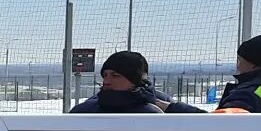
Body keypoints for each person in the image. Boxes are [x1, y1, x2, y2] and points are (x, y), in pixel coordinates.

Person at [71, 50, 202, 114]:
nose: (107, 81)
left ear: (137, 80)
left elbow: (207, 122)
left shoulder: (158, 105)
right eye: (105, 75)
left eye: (115, 76)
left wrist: (163, 106)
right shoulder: (87, 108)